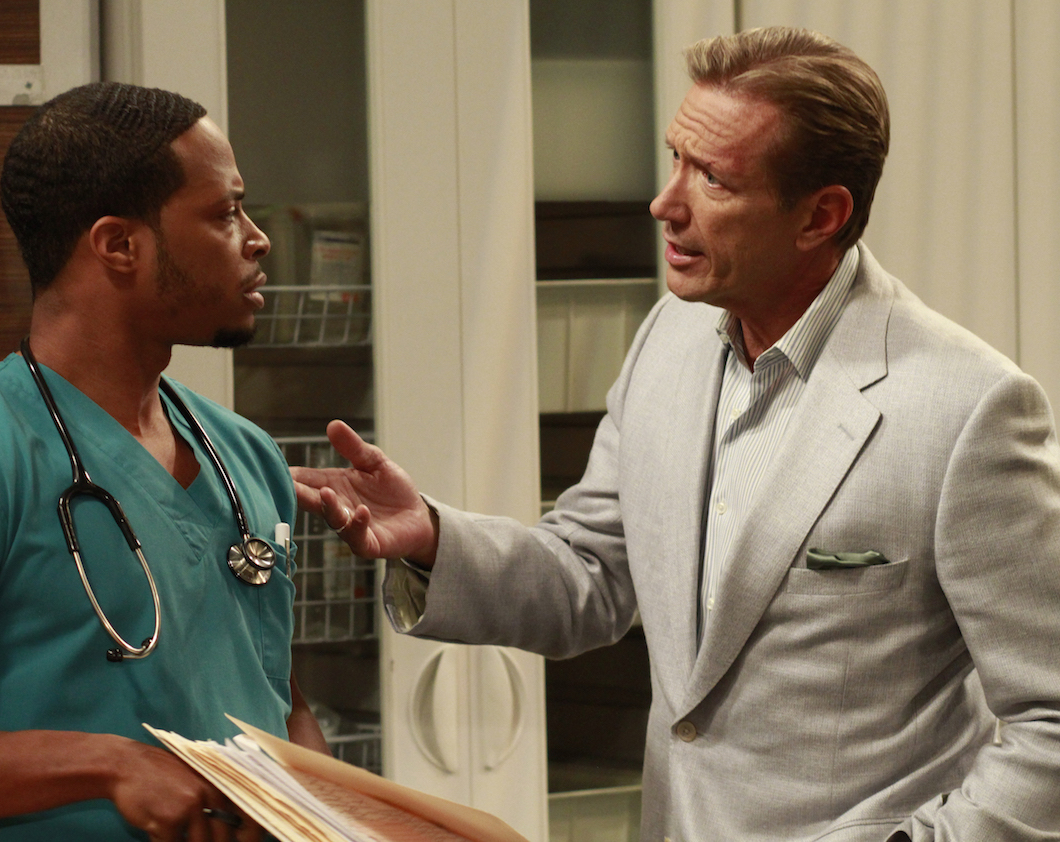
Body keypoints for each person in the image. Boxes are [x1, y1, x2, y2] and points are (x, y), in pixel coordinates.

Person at [292, 27, 1060, 842]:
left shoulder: (968, 408)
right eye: (675, 160)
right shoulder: (669, 337)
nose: (666, 203)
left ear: (821, 215)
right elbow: (591, 571)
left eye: (713, 178)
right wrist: (432, 539)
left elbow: (1050, 720)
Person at [0, 82, 329, 841]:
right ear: (118, 245)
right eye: (224, 213)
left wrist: (315, 811)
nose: (257, 239)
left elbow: (278, 696)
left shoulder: (247, 457)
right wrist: (107, 766)